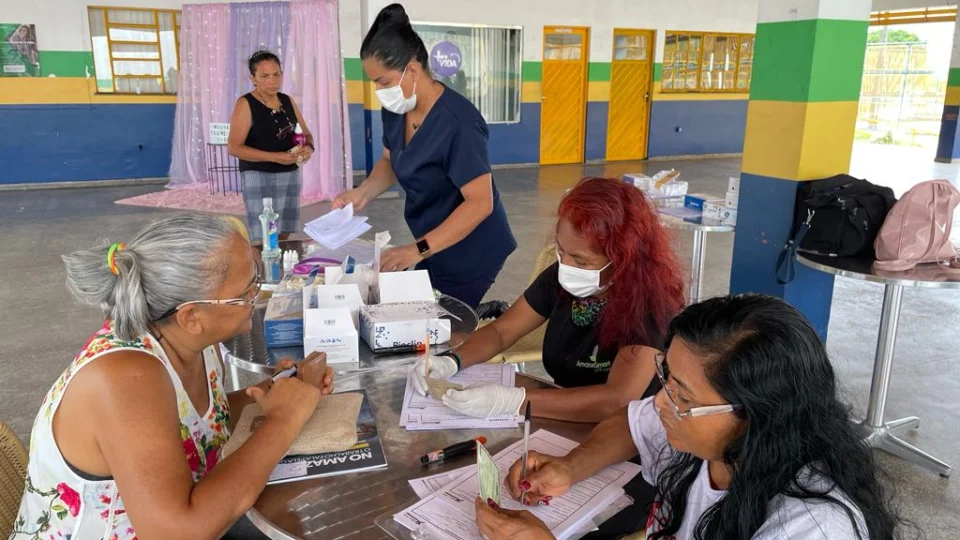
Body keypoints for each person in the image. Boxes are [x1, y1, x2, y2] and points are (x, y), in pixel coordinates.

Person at [476, 295, 906, 540]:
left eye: (682, 396)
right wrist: (572, 466)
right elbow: (629, 424)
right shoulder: (701, 440)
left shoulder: (810, 528)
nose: (661, 402)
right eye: (666, 378)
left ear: (757, 415)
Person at [11, 214, 334, 539]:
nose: (257, 295)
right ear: (192, 317)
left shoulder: (193, 343)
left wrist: (278, 389)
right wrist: (284, 419)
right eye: (246, 292)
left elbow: (198, 426)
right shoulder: (125, 377)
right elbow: (179, 532)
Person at [410, 177, 685, 423]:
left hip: (624, 432)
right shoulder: (560, 277)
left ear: (624, 260)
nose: (566, 265)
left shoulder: (651, 307)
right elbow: (501, 331)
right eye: (561, 251)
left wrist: (512, 401)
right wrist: (451, 361)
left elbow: (615, 401)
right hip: (560, 409)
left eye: (580, 259)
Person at [333, 3, 516, 308]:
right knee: (420, 309)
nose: (379, 91)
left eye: (383, 82)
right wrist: (361, 193)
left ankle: (480, 316)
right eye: (374, 82)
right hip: (430, 242)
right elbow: (390, 161)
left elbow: (480, 203)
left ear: (413, 70)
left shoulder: (459, 124)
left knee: (440, 327)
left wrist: (415, 251)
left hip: (472, 248)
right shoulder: (397, 107)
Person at [228, 50, 314, 243]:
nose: (272, 81)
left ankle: (282, 267)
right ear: (253, 78)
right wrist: (275, 157)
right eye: (264, 76)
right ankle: (265, 270)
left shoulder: (287, 100)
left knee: (285, 228)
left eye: (276, 74)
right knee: (264, 233)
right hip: (258, 175)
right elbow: (234, 148)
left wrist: (308, 148)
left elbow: (307, 134)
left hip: (289, 172)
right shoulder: (245, 104)